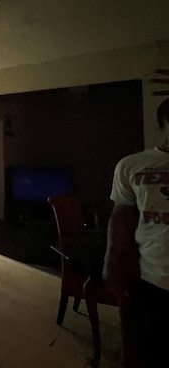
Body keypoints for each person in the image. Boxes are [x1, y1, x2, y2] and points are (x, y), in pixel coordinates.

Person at [105, 98, 169, 368]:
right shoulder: (132, 166)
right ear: (163, 125)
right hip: (154, 280)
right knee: (150, 353)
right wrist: (110, 260)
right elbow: (121, 217)